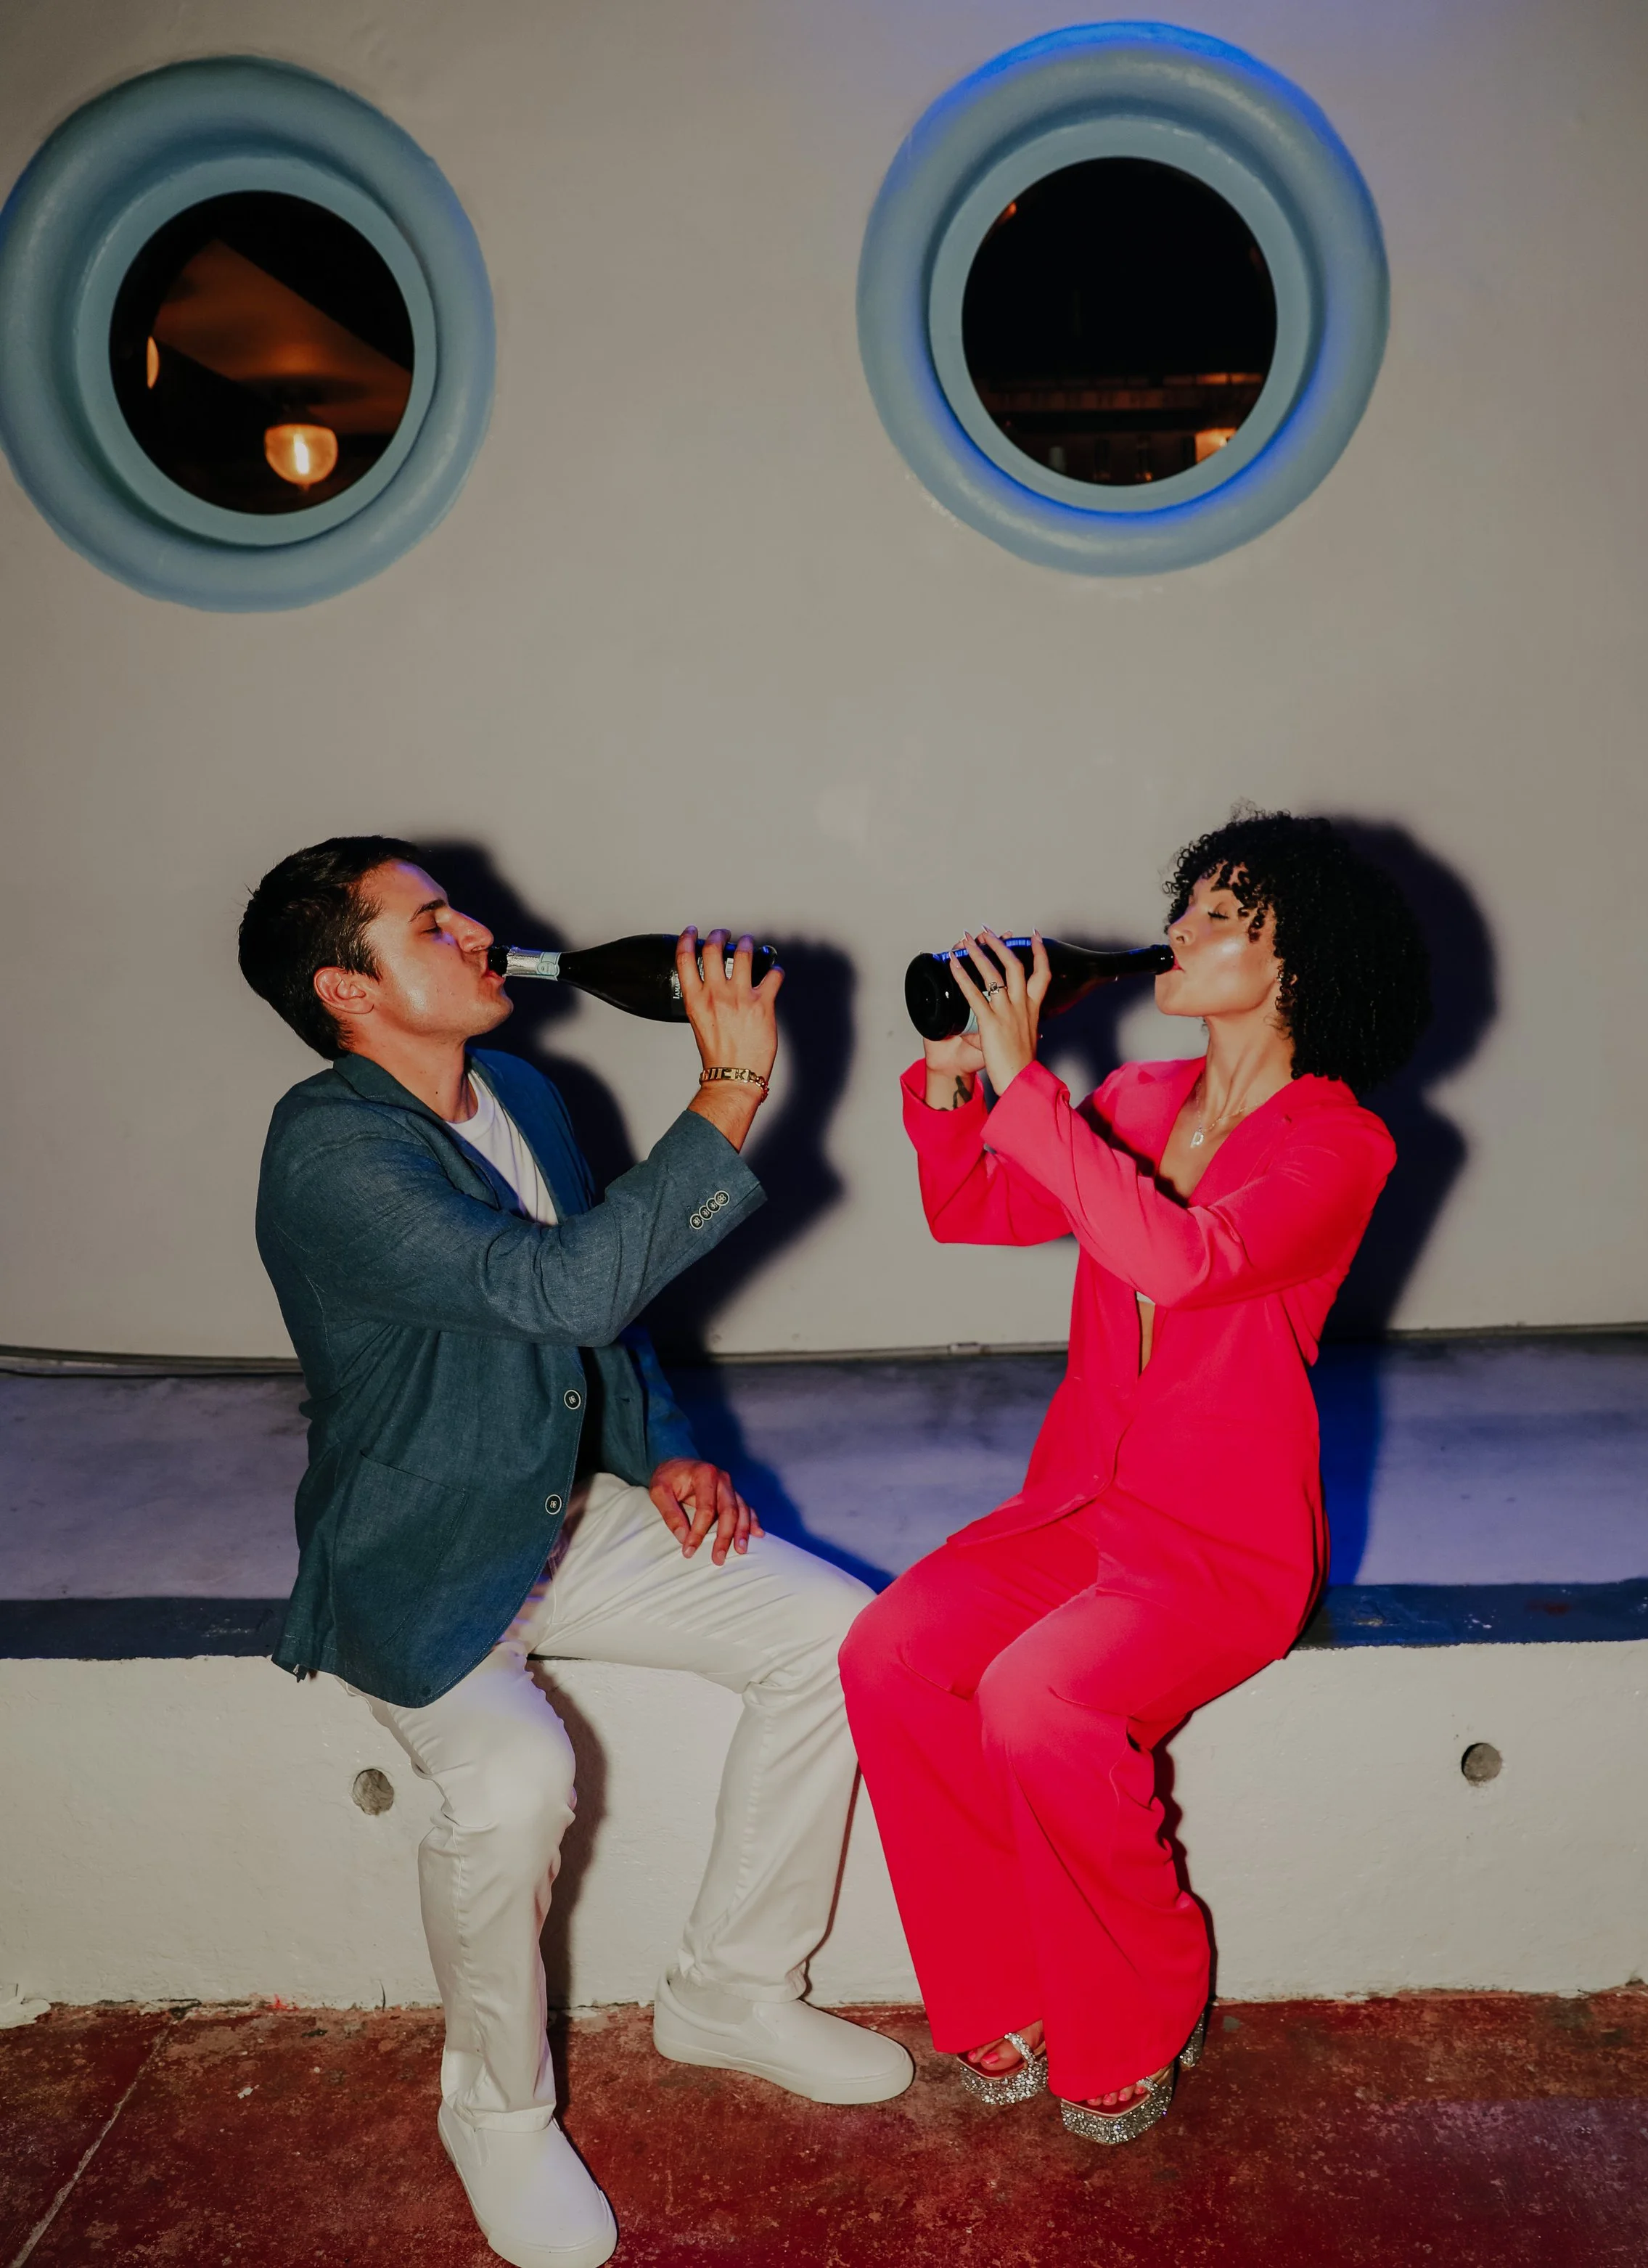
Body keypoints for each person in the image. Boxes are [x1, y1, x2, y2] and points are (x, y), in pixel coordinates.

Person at [238, 838, 910, 2268]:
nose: (482, 929)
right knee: (514, 1778)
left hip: (568, 1512)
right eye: (432, 922)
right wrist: (729, 1085)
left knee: (843, 1636)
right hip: (420, 1557)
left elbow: (605, 1320)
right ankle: (493, 2110)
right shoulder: (328, 1148)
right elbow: (560, 1277)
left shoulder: (529, 1092)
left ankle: (729, 1987)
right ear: (347, 989)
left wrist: (658, 1440)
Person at [839, 809, 1431, 2145]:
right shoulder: (1140, 1098)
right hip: (1081, 1504)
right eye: (1189, 906)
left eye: (1225, 915)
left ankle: (1142, 2008)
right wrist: (955, 1079)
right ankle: (1004, 1978)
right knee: (890, 1650)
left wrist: (1027, 1079)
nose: (1181, 931)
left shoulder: (1339, 1145)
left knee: (1040, 1698)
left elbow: (1183, 1260)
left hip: (1218, 1544)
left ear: (1298, 963)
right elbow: (977, 1207)